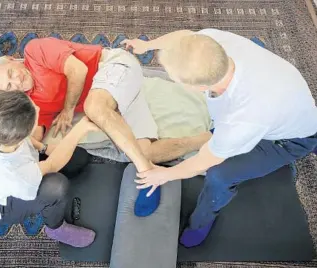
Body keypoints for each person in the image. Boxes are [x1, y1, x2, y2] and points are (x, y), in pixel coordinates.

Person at [123, 29, 317, 247]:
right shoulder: (212, 43)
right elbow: (183, 37)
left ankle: (201, 222)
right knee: (219, 142)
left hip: (289, 139)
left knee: (219, 175)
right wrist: (147, 45)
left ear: (199, 88)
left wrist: (165, 175)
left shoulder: (242, 119)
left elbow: (203, 161)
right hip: (287, 108)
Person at [0, 37, 211, 217]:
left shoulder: (35, 51)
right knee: (142, 151)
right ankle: (203, 139)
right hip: (121, 98)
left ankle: (146, 172)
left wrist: (68, 110)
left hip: (113, 68)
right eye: (10, 86)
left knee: (93, 107)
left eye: (12, 74)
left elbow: (78, 70)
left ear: (10, 59)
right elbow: (33, 136)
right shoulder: (30, 103)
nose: (18, 82)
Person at [0, 90, 100, 247]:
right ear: (21, 137)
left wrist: (43, 148)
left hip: (10, 167)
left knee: (78, 158)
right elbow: (51, 165)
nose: (37, 108)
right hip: (3, 207)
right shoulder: (14, 174)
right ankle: (55, 228)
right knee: (56, 186)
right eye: (35, 113)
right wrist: (79, 130)